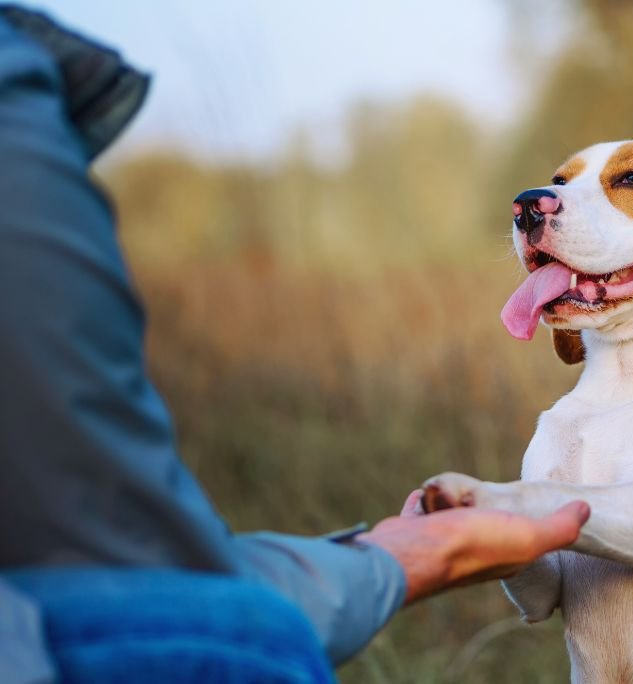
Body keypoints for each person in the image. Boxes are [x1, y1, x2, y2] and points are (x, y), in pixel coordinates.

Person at [0, 7, 589, 683]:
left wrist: (389, 560)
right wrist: (395, 562)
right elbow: (159, 594)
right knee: (243, 647)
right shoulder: (16, 101)